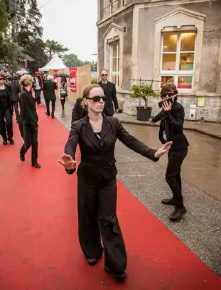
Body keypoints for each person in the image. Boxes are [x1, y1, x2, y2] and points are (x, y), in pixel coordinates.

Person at [58, 84, 172, 280]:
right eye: (96, 98)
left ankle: (116, 264)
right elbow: (70, 144)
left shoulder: (113, 123)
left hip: (108, 179)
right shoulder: (78, 126)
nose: (101, 101)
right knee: (87, 217)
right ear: (86, 101)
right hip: (87, 180)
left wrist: (153, 152)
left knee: (109, 219)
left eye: (102, 98)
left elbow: (131, 141)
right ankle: (92, 251)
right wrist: (69, 160)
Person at [149, 84, 189, 221]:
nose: (167, 96)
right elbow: (162, 114)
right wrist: (154, 119)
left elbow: (178, 127)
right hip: (172, 146)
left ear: (175, 94)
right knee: (176, 174)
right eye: (164, 94)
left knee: (170, 176)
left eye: (170, 94)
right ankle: (176, 198)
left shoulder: (177, 107)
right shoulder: (166, 106)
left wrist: (168, 112)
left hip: (180, 147)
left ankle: (180, 207)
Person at [19, 74, 41, 169]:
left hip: (33, 120)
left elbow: (32, 106)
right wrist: (33, 122)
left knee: (35, 142)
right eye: (32, 81)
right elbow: (26, 111)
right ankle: (22, 151)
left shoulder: (28, 92)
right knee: (28, 143)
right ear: (28, 82)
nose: (33, 83)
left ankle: (34, 161)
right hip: (27, 122)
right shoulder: (23, 94)